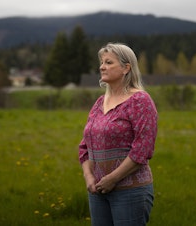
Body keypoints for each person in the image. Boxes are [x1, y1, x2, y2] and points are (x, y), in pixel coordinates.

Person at [78, 43, 158, 226]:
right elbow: (85, 146)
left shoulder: (140, 100)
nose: (101, 67)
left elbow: (143, 149)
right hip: (98, 192)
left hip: (131, 191)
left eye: (108, 62)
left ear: (126, 68)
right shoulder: (99, 103)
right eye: (101, 62)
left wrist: (112, 179)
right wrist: (89, 177)